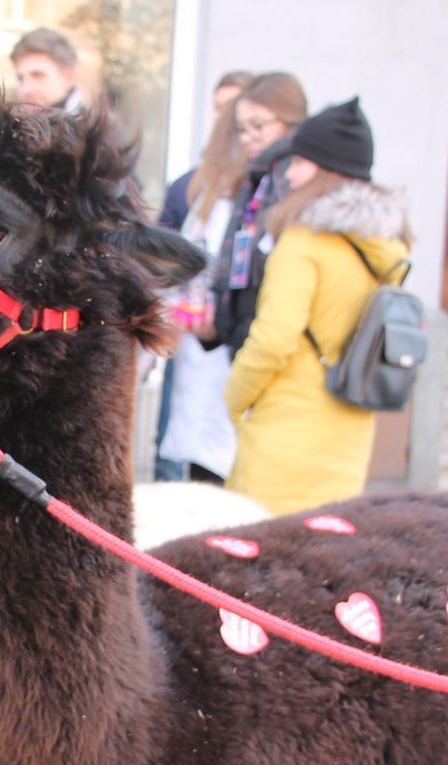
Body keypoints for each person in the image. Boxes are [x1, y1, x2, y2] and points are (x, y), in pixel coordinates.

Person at [223, 97, 412, 515]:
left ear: (326, 169)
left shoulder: (304, 242)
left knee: (258, 560)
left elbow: (274, 337)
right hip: (349, 433)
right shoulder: (389, 247)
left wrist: (234, 396)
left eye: (299, 163)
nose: (289, 174)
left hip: (285, 433)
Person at [154, 79, 251, 482]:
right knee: (181, 450)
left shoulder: (260, 192)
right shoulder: (190, 188)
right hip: (187, 339)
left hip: (232, 350)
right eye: (220, 110)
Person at [203, 71, 308, 357]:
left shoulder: (295, 184)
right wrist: (217, 327)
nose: (247, 137)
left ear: (290, 120)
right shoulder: (256, 179)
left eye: (258, 125)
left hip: (274, 355)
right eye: (241, 128)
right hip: (243, 347)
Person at [157, 71, 254, 231]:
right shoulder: (184, 186)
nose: (223, 116)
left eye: (231, 107)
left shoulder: (262, 185)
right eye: (218, 107)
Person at [11, 28, 84, 111]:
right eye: (20, 79)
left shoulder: (89, 123)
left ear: (68, 77)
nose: (26, 89)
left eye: (37, 76)